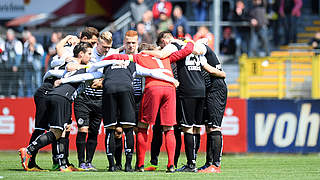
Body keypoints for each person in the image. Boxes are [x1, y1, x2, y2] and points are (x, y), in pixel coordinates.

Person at [103, 39, 194, 173]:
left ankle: (140, 165)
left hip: (153, 88)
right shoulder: (166, 56)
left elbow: (116, 57)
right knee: (169, 128)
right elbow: (187, 50)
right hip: (169, 89)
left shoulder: (139, 56)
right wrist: (187, 40)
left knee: (143, 126)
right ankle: (171, 165)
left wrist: (100, 61)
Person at [18, 42, 95, 172]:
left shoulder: (80, 64)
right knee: (51, 130)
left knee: (63, 129)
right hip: (56, 95)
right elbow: (58, 68)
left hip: (59, 95)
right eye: (89, 53)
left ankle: (62, 164)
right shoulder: (72, 61)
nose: (92, 56)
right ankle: (29, 152)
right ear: (81, 53)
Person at [74, 31, 117, 171]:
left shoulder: (110, 56)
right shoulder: (89, 55)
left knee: (93, 131)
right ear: (97, 43)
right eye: (104, 46)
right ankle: (81, 162)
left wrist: (103, 80)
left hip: (100, 100)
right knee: (83, 129)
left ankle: (88, 162)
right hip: (84, 99)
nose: (106, 50)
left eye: (108, 47)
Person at [195, 42, 227, 173]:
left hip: (216, 90)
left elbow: (220, 73)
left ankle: (216, 164)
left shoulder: (204, 52)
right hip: (209, 90)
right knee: (209, 127)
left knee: (214, 126)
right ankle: (209, 163)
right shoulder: (205, 55)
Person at [1, 29, 23, 97]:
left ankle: (14, 94)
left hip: (14, 66)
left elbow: (19, 55)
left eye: (9, 35)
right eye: (7, 35)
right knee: (5, 81)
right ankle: (4, 94)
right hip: (6, 65)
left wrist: (16, 65)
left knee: (14, 81)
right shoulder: (5, 43)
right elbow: (2, 51)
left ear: (13, 35)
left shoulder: (17, 43)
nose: (7, 37)